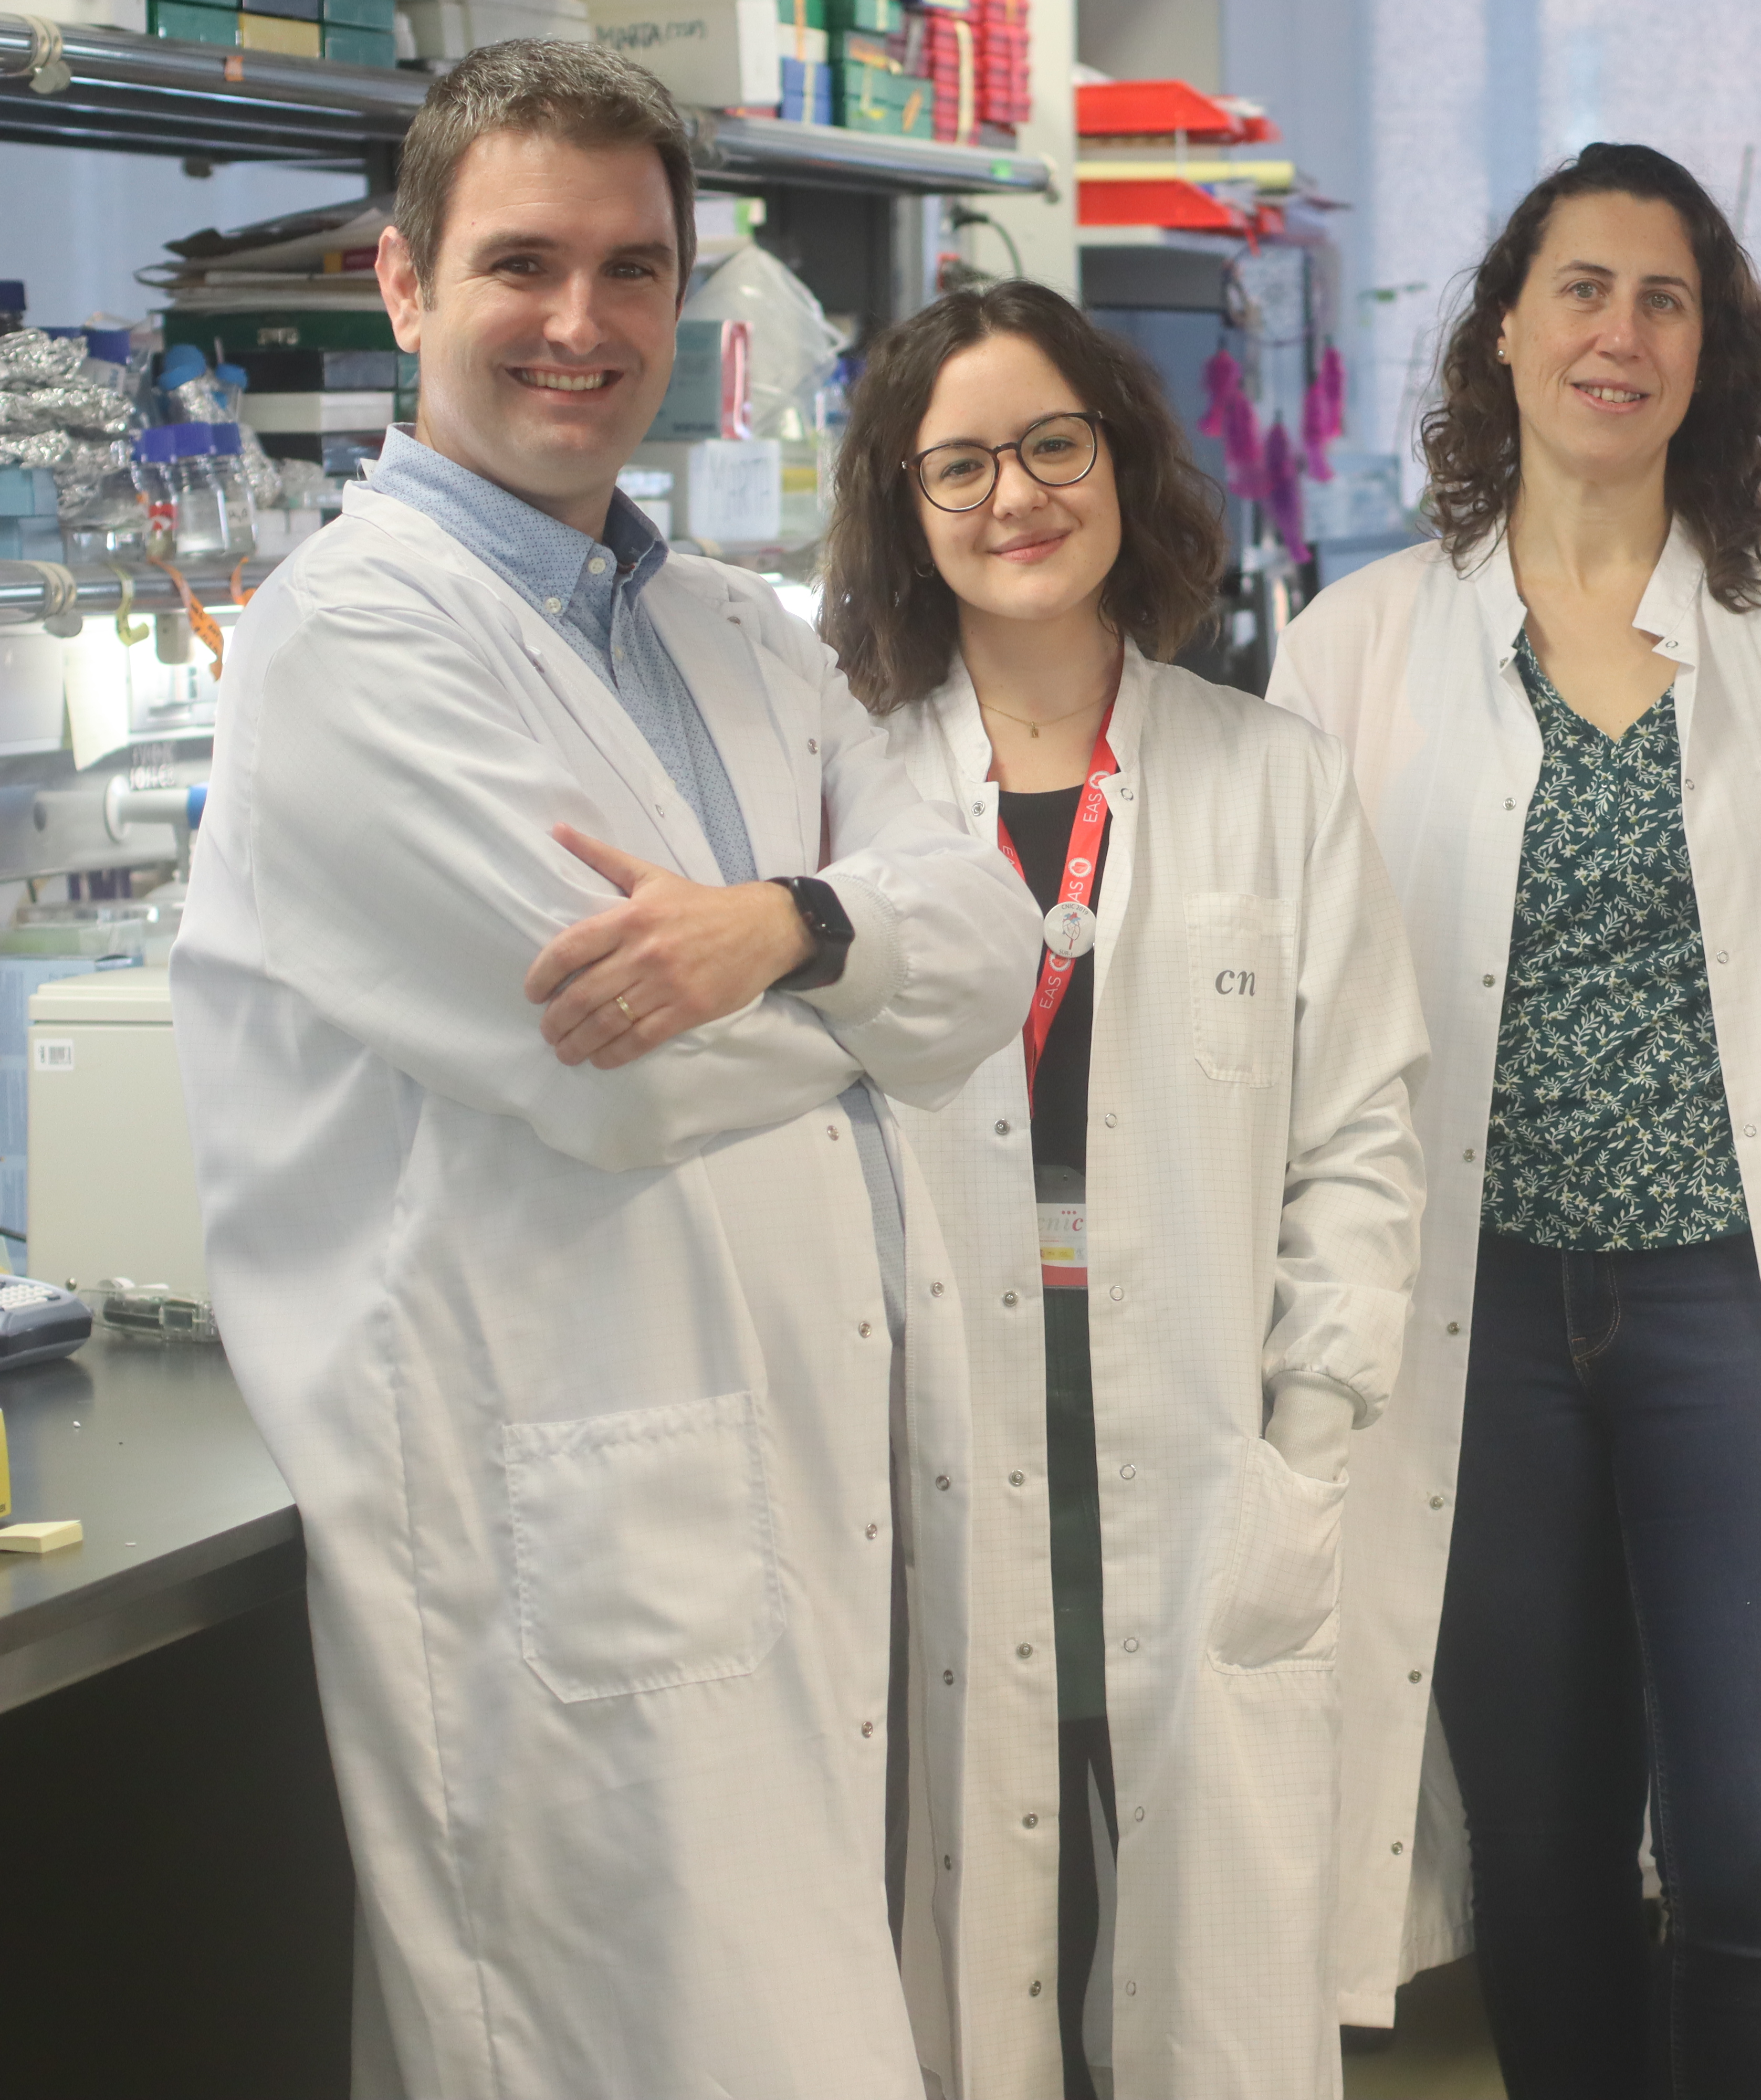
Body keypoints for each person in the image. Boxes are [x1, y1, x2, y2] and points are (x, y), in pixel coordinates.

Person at [169, 42, 1039, 2100]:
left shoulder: (738, 626)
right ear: (405, 285)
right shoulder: (350, 644)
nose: (582, 324)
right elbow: (625, 1076)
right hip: (560, 1549)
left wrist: (785, 929)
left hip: (780, 1509)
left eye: (632, 269)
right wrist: (869, 984)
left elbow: (988, 937)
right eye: (523, 265)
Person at [1269, 141, 1761, 2099]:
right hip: (1476, 1316)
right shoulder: (1354, 652)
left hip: (1743, 1310)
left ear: (1714, 351)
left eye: (1666, 299)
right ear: (1505, 328)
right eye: (1582, 288)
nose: (1621, 331)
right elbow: (1304, 1025)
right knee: (1550, 1841)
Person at [819, 281, 1426, 2099]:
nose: (1015, 496)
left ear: (1121, 459)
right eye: (960, 467)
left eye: (1051, 444)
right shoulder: (842, 793)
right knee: (979, 1947)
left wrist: (1307, 1437)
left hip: (1197, 1437)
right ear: (906, 511)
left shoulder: (1270, 779)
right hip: (940, 1437)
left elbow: (1363, 1137)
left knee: (1204, 1971)